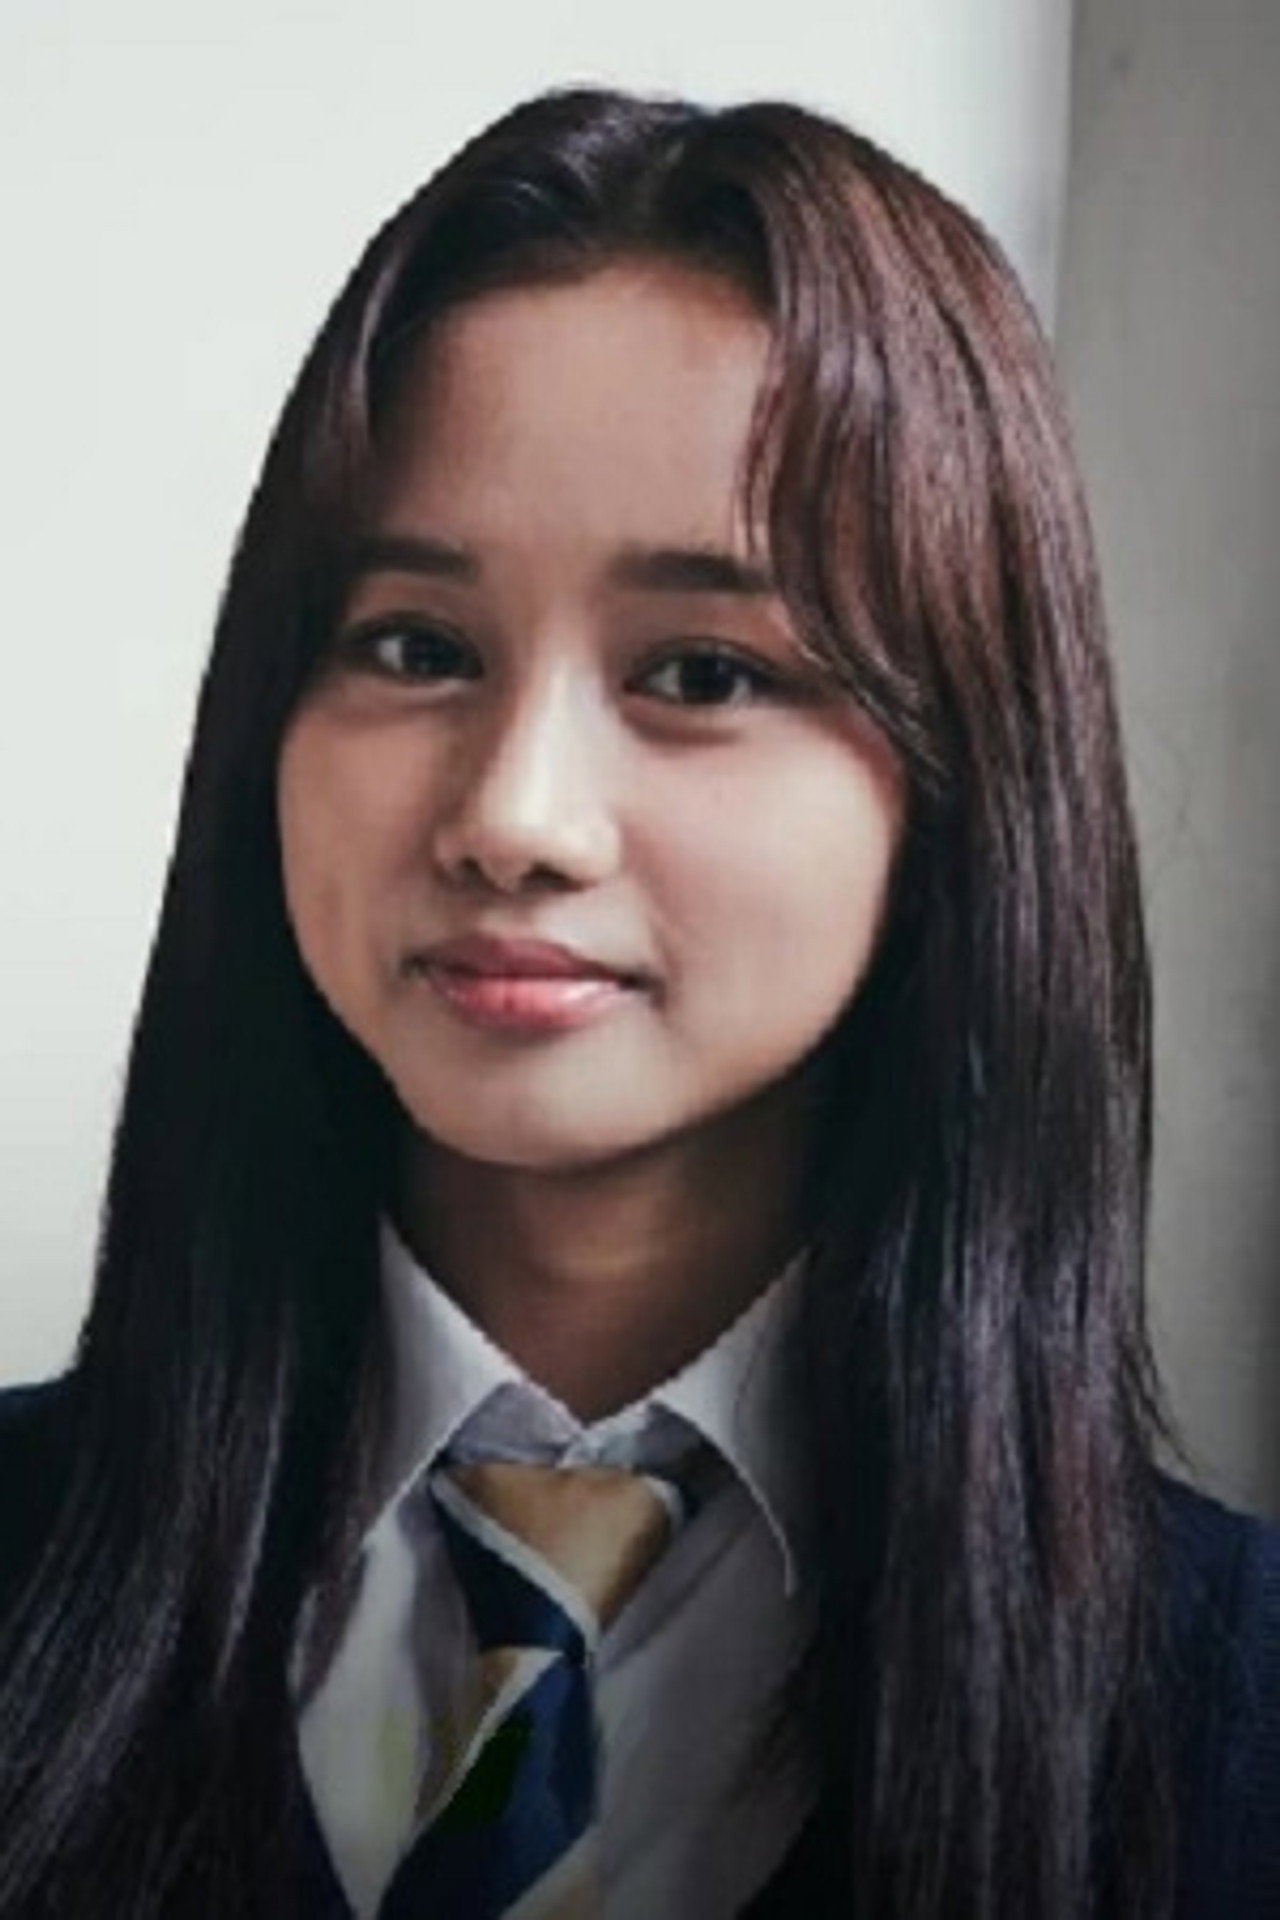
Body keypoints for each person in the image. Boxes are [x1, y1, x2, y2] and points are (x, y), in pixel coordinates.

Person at [0, 84, 1276, 1920]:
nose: (517, 816)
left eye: (703, 671)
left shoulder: (1234, 1721)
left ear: (965, 780)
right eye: (415, 647)